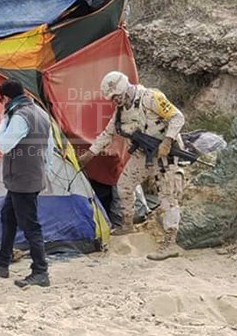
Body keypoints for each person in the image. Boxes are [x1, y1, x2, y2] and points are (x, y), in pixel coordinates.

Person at [78, 71, 186, 261]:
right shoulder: (121, 112)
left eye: (117, 96)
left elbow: (177, 117)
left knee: (167, 197)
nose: (115, 100)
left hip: (165, 153)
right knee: (124, 185)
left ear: (125, 89)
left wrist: (167, 141)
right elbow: (107, 134)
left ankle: (170, 242)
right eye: (112, 98)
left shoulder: (151, 97)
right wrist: (90, 154)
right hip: (144, 154)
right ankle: (127, 224)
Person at [0, 79, 55, 287]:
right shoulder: (40, 113)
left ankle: (41, 271)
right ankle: (2, 262)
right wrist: (44, 173)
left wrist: (3, 120)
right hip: (29, 178)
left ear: (6, 98)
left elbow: (3, 145)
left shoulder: (20, 116)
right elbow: (49, 148)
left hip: (22, 181)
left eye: (1, 100)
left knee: (30, 225)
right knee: (8, 217)